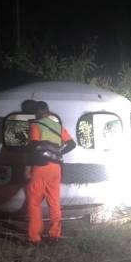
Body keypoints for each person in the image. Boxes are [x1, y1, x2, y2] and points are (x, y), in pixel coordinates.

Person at [22, 100, 76, 243]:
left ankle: (34, 237)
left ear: (40, 111)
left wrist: (27, 167)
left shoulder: (36, 125)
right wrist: (59, 153)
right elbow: (72, 144)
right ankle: (54, 235)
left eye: (35, 111)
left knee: (34, 202)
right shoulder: (58, 126)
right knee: (54, 202)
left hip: (40, 167)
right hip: (56, 168)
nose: (34, 113)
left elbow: (32, 148)